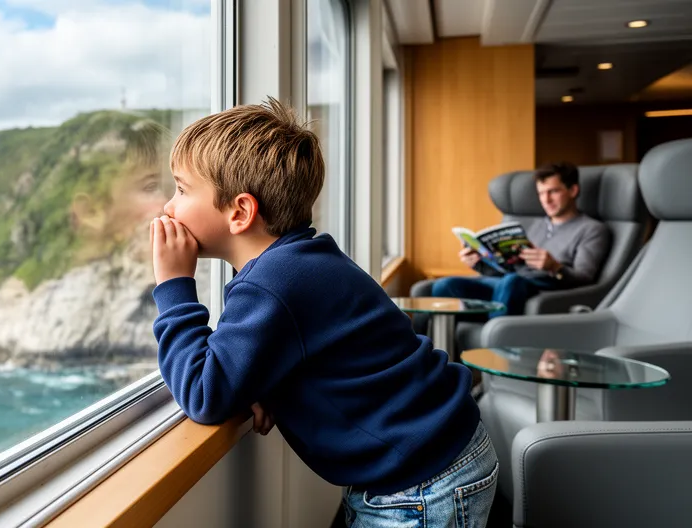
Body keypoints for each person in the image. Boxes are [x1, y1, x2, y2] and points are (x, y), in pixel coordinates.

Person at [148, 97, 498, 527]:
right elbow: (301, 349)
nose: (168, 207)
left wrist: (174, 284)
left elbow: (204, 395)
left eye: (182, 190)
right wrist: (261, 379)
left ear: (240, 212)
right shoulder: (299, 261)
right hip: (431, 460)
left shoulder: (273, 282)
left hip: (422, 484)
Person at [430, 162, 612, 317]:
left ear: (573, 190)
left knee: (512, 281)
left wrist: (555, 267)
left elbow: (585, 278)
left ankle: (495, 337)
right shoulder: (534, 225)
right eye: (541, 193)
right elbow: (508, 269)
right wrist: (480, 263)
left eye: (553, 191)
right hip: (507, 285)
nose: (546, 200)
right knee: (445, 285)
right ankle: (430, 344)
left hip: (543, 286)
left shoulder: (592, 229)